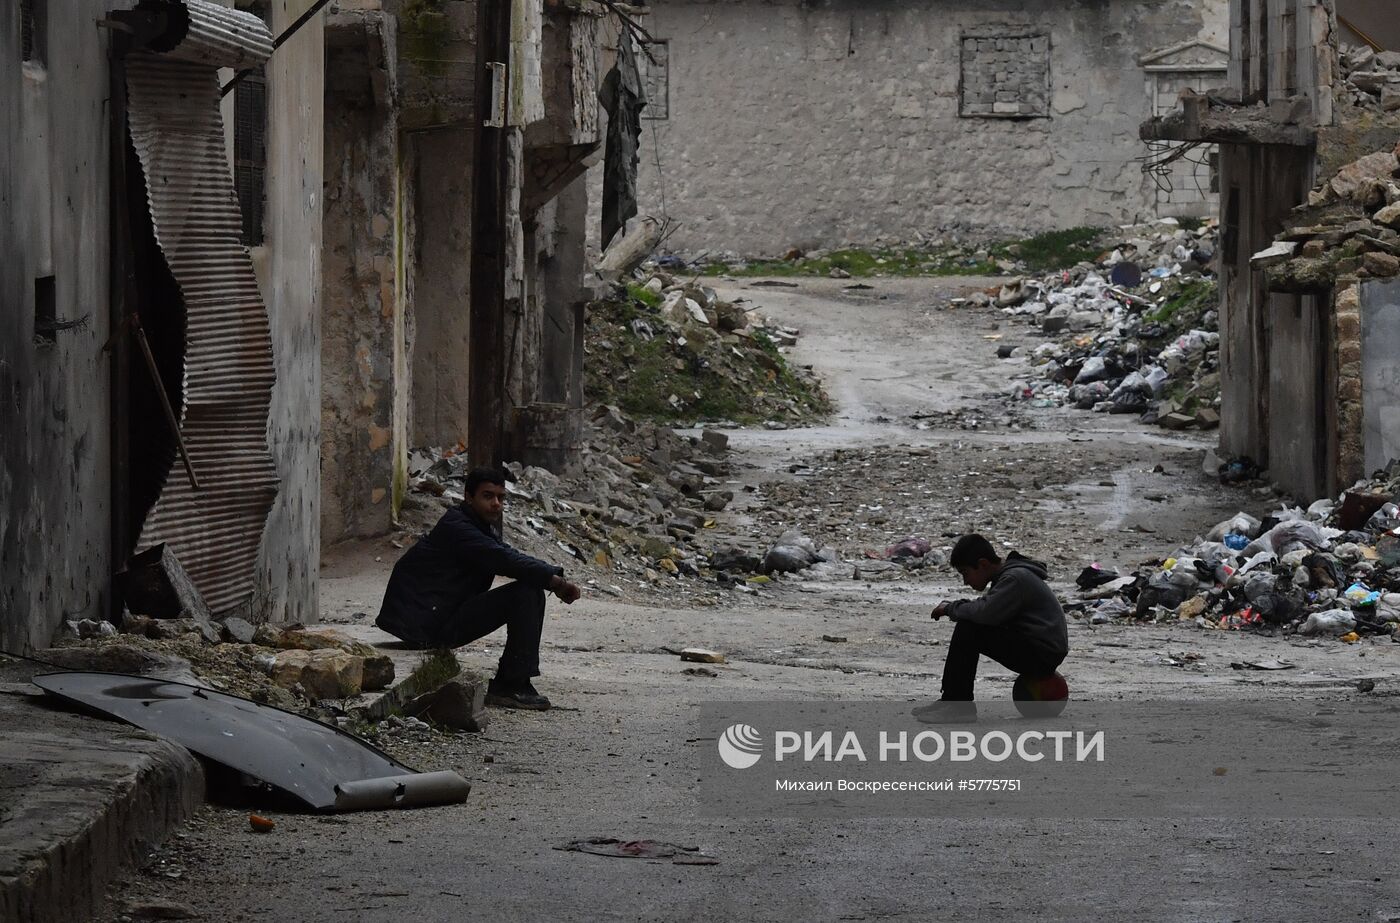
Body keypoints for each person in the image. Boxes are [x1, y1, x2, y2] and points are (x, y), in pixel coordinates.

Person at [376, 466, 582, 710]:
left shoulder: (477, 525)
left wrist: (549, 577)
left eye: (501, 497)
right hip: (425, 626)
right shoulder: (458, 527)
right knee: (525, 594)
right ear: (468, 497)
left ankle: (513, 681)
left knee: (528, 590)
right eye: (488, 496)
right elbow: (504, 560)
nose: (496, 504)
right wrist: (555, 581)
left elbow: (506, 555)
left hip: (436, 617)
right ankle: (510, 684)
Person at [916, 534, 1068, 722]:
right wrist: (958, 607)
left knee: (969, 628)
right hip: (1040, 649)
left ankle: (958, 705)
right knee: (971, 623)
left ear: (983, 564)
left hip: (1042, 654)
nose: (965, 581)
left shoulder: (1014, 578)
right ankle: (951, 700)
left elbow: (985, 612)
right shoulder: (1010, 577)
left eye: (965, 573)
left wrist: (950, 608)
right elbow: (989, 609)